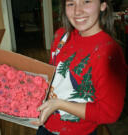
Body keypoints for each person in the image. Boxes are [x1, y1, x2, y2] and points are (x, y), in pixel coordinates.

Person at [31, 0, 128, 135]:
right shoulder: (62, 35)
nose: (77, 11)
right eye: (71, 4)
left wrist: (59, 104)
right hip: (45, 124)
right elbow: (54, 78)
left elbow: (109, 113)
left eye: (86, 1)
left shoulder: (109, 52)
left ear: (103, 5)